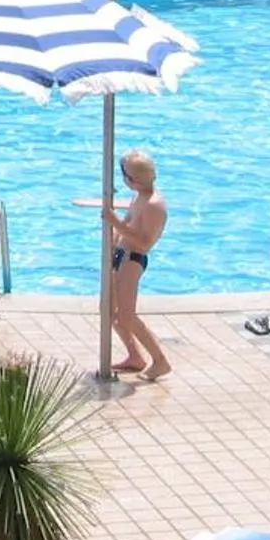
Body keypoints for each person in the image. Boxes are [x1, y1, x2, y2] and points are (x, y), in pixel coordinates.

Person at [103, 148, 170, 380]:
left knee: (127, 316)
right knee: (111, 313)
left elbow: (144, 241)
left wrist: (115, 224)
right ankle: (135, 357)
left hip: (133, 260)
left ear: (134, 179)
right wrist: (112, 239)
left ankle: (160, 360)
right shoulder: (138, 197)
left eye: (126, 176)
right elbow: (128, 223)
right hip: (121, 256)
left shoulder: (153, 205)